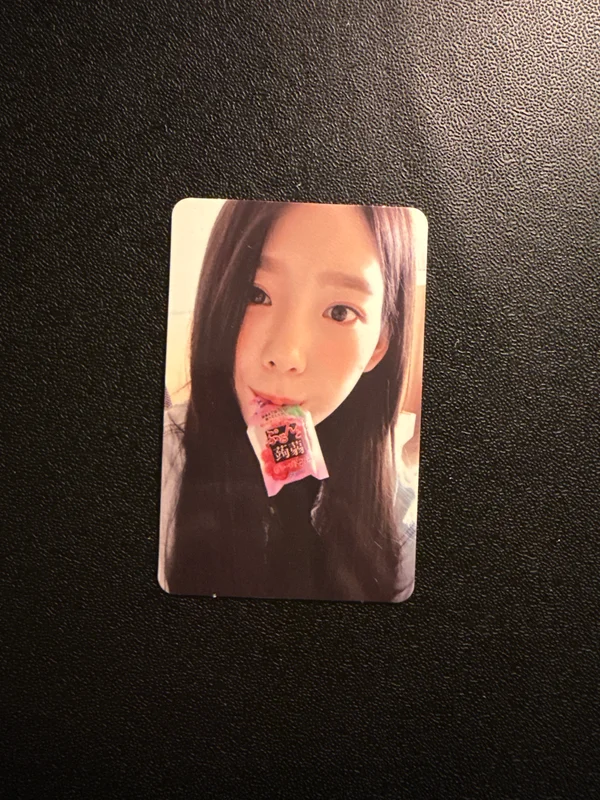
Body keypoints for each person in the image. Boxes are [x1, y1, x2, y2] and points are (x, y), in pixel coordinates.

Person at [159, 200, 419, 602]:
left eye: (339, 311)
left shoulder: (402, 520)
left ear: (379, 345)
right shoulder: (165, 469)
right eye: (256, 294)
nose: (285, 354)